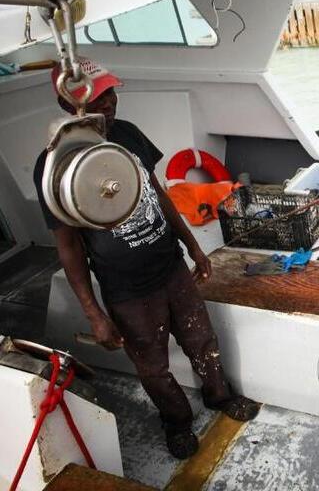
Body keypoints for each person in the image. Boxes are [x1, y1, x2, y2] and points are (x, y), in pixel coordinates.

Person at [33, 58, 259, 459]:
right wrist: (94, 314)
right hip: (127, 290)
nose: (109, 103)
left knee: (202, 340)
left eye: (111, 92)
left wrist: (192, 246)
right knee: (152, 365)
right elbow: (67, 245)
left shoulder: (127, 134)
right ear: (68, 102)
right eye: (97, 97)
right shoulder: (54, 165)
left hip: (171, 267)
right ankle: (176, 422)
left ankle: (218, 396)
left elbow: (158, 194)